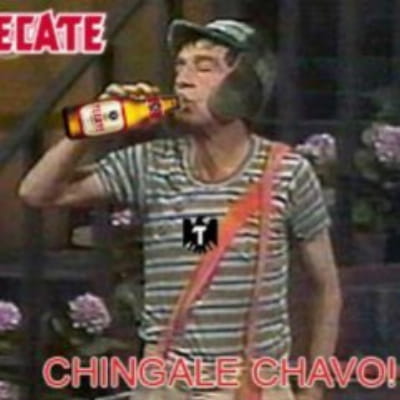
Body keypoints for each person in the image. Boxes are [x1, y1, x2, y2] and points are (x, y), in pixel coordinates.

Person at [19, 19, 342, 400]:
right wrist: (91, 127)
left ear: (246, 85)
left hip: (250, 387)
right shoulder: (151, 164)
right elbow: (37, 193)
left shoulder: (287, 173)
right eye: (181, 66)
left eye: (204, 68)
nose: (184, 80)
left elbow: (325, 288)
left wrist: (313, 388)